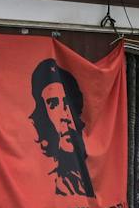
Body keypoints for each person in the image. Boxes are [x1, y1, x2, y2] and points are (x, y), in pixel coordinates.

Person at [29, 58, 94, 198]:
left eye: (67, 103)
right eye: (53, 104)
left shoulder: (88, 176)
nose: (65, 115)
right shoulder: (43, 180)